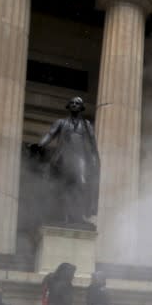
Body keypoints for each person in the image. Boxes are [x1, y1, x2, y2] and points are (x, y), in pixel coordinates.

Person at [32, 97, 100, 227]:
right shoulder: (61, 122)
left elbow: (92, 145)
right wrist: (40, 145)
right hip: (64, 157)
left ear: (81, 108)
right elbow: (50, 135)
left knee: (82, 185)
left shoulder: (86, 125)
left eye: (77, 103)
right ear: (68, 106)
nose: (74, 105)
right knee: (64, 187)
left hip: (80, 159)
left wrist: (94, 160)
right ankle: (64, 217)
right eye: (72, 103)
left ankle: (79, 216)